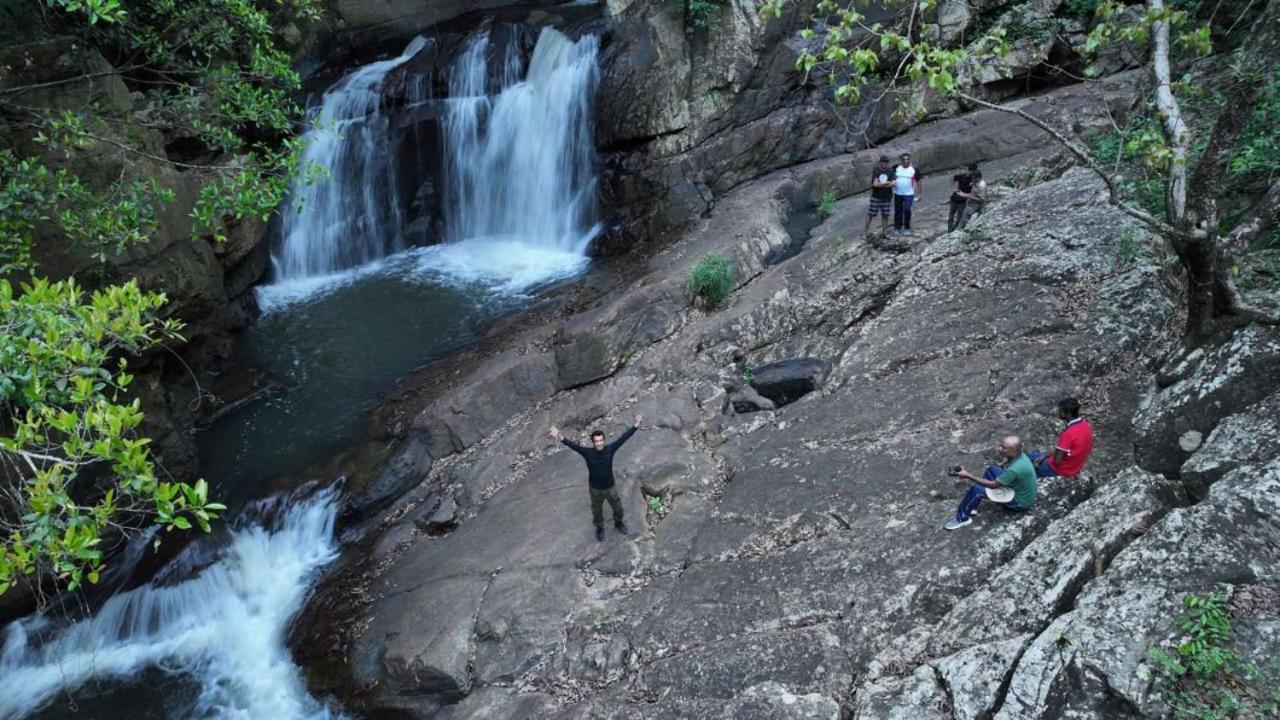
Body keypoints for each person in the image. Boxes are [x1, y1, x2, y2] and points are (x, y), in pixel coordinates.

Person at [550, 415, 642, 541]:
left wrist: (636, 425)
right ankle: (599, 528)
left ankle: (618, 522)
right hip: (595, 489)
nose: (599, 443)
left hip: (610, 487)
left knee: (618, 507)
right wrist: (559, 436)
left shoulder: (610, 449)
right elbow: (573, 445)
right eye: (596, 441)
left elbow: (623, 438)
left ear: (604, 440)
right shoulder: (588, 453)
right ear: (593, 442)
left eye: (601, 440)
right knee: (597, 510)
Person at [945, 435, 1037, 531]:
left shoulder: (1015, 468)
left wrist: (968, 475)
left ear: (1013, 451)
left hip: (1019, 502)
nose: (999, 449)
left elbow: (993, 485)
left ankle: (962, 519)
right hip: (1018, 489)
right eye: (1000, 446)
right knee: (991, 470)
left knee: (976, 490)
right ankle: (973, 503)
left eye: (1003, 448)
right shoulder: (1020, 455)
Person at [1028, 398, 1094, 478]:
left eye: (1061, 411)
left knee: (1026, 460)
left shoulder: (1068, 434)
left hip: (1059, 469)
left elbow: (1057, 461)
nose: (1059, 413)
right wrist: (1045, 455)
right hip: (1074, 466)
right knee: (1033, 456)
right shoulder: (1086, 425)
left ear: (1068, 414)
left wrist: (1044, 457)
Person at [864, 155, 895, 239]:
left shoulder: (891, 171)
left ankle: (884, 233)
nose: (885, 164)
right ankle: (865, 232)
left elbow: (893, 183)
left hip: (887, 197)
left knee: (885, 215)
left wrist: (881, 184)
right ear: (880, 162)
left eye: (886, 162)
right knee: (871, 214)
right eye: (883, 162)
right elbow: (875, 184)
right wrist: (886, 183)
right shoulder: (876, 170)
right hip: (876, 196)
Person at [892, 152, 921, 236]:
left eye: (907, 159)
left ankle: (907, 228)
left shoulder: (914, 169)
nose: (905, 161)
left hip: (909, 193)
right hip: (898, 193)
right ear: (901, 160)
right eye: (904, 159)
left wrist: (920, 194)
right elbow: (890, 176)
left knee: (907, 210)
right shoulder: (896, 168)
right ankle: (897, 227)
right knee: (898, 211)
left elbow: (919, 181)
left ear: (909, 160)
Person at [948, 164, 981, 232]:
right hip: (954, 198)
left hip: (963, 201)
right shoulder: (962, 176)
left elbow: (977, 188)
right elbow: (953, 178)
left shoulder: (973, 180)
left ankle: (953, 231)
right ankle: (950, 231)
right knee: (951, 217)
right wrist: (953, 188)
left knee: (959, 218)